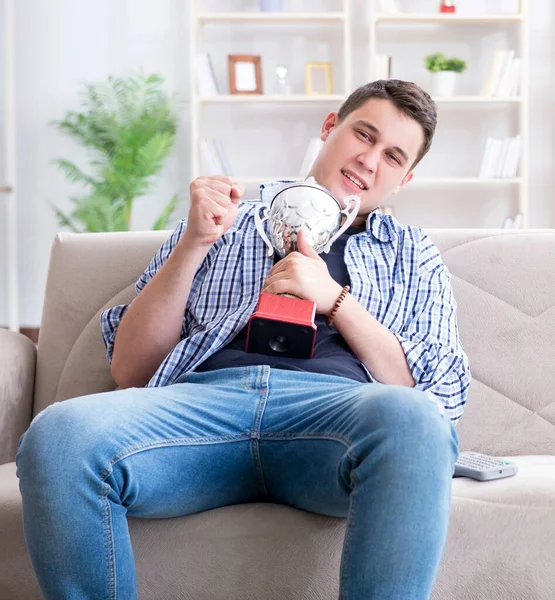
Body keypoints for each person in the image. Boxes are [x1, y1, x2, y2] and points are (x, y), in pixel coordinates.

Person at [16, 79, 471, 600]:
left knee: (417, 423)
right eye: (363, 135)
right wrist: (194, 242)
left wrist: (335, 300)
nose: (369, 161)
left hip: (334, 423)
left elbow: (441, 397)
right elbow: (131, 370)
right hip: (200, 409)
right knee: (57, 435)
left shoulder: (412, 253)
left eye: (392, 156)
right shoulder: (229, 218)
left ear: (404, 178)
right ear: (330, 127)